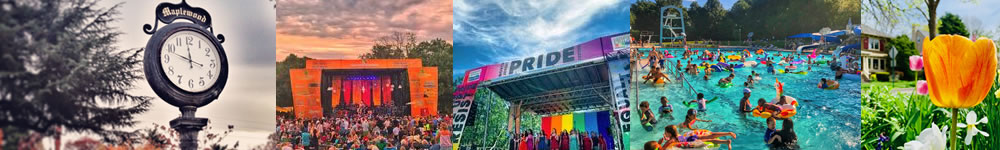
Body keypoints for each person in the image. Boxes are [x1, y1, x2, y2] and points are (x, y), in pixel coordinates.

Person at [659, 125, 735, 150]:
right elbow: (679, 139)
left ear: (669, 133)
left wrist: (661, 142)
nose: (665, 133)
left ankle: (726, 142)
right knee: (710, 135)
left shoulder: (671, 140)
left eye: (665, 132)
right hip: (690, 137)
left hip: (691, 142)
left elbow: (662, 149)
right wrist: (667, 138)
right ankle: (728, 133)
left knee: (709, 140)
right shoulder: (677, 135)